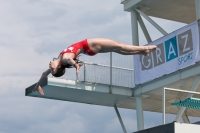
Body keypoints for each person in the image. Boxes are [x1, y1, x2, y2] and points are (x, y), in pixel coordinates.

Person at [33, 38, 157, 95]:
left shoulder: (59, 61)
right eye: (53, 68)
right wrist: (76, 65)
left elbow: (44, 74)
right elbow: (70, 60)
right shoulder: (65, 59)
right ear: (59, 67)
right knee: (119, 46)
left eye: (51, 69)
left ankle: (142, 52)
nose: (50, 66)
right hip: (89, 45)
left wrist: (38, 85)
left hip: (89, 50)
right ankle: (145, 48)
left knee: (117, 49)